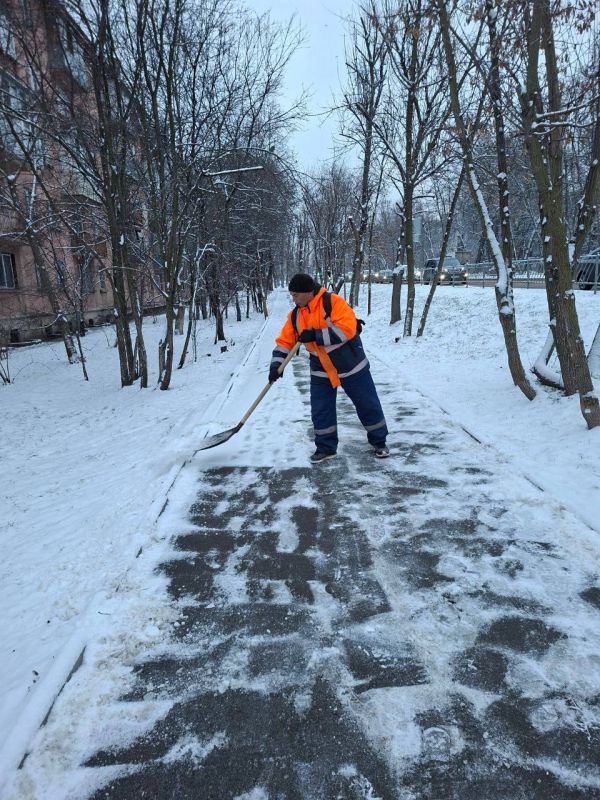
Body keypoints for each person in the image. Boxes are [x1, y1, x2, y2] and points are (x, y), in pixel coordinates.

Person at [269, 273, 389, 463]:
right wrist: (276, 364)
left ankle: (379, 441)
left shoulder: (332, 302)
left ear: (308, 292)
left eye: (295, 295)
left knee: (367, 404)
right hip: (321, 368)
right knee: (321, 409)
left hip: (350, 364)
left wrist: (315, 335)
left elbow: (347, 328)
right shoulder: (296, 315)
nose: (293, 299)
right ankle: (325, 448)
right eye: (292, 295)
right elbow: (285, 341)